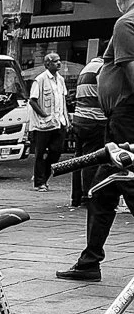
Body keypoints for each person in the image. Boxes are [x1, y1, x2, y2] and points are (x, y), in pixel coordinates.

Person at [59, 0, 134, 282]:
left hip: (127, 119)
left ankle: (90, 261)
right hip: (121, 119)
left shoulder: (126, 23)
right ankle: (90, 261)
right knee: (103, 190)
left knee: (126, 182)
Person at [69, 55, 106, 208]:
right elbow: (106, 93)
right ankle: (89, 196)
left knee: (80, 159)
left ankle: (76, 197)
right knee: (93, 158)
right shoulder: (102, 69)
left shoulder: (87, 68)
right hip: (94, 119)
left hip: (80, 118)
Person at [28, 51, 68, 191]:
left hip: (59, 122)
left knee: (56, 152)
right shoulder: (40, 79)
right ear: (47, 64)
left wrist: (67, 120)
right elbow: (32, 101)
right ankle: (39, 182)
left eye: (59, 60)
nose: (59, 63)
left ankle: (42, 177)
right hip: (43, 124)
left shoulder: (61, 80)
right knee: (40, 153)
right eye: (55, 61)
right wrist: (43, 114)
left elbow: (63, 101)